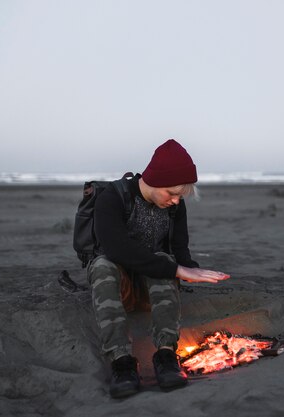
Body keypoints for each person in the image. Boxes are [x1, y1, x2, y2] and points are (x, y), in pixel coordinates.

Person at [88, 139, 230, 398]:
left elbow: (180, 250)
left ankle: (166, 356)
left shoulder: (174, 208)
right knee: (102, 263)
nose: (176, 201)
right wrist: (176, 270)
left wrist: (194, 271)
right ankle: (121, 362)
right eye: (172, 193)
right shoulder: (112, 198)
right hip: (118, 288)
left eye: (180, 196)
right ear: (155, 179)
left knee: (164, 258)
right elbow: (117, 248)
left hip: (152, 289)